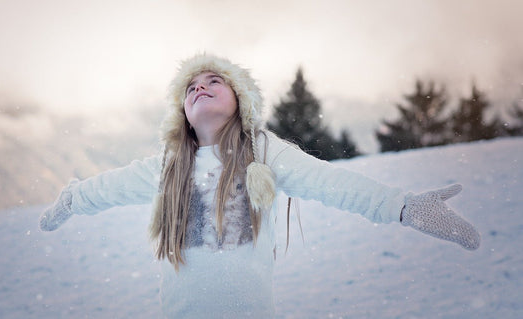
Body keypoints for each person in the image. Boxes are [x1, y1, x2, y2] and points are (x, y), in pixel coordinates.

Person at [39, 53, 480, 318]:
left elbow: (329, 182)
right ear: (182, 111)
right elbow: (110, 187)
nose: (201, 88)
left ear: (240, 101)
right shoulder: (169, 167)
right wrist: (73, 197)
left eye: (214, 81)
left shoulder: (263, 151)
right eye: (191, 86)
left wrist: (403, 206)